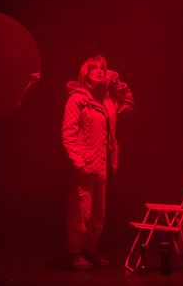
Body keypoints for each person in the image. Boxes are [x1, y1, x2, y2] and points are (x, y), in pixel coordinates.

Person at [61, 55, 134, 270]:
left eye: (103, 68)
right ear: (86, 73)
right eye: (94, 68)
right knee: (81, 213)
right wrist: (78, 163)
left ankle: (90, 251)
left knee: (98, 216)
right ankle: (76, 254)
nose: (100, 70)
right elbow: (68, 134)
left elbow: (129, 104)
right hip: (84, 166)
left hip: (102, 165)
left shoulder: (108, 101)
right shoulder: (77, 99)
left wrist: (117, 83)